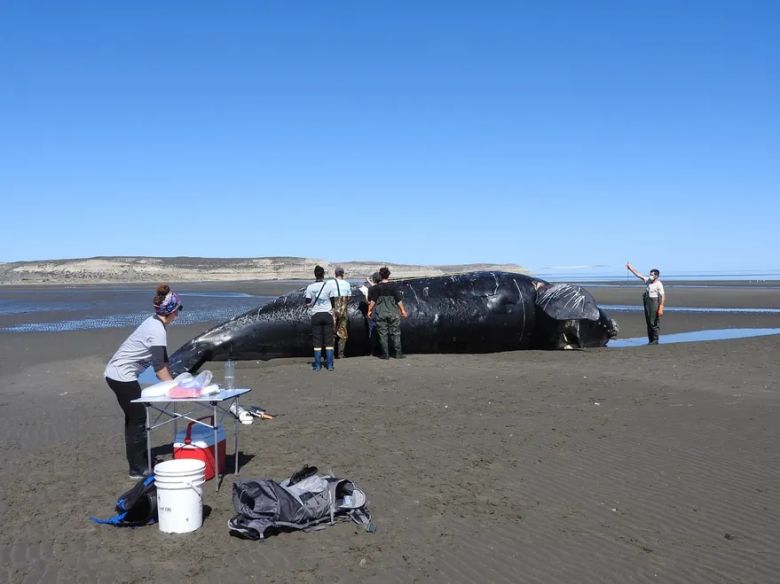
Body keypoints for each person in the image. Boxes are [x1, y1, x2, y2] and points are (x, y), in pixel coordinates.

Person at [104, 284, 182, 479]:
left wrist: (173, 383)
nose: (178, 315)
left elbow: (163, 361)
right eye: (178, 310)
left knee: (135, 418)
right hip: (120, 376)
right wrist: (176, 390)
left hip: (120, 374)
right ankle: (138, 469)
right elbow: (158, 368)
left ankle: (141, 461)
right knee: (137, 420)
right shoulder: (157, 330)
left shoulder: (155, 323)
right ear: (171, 312)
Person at [367, 266, 409, 359]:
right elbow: (399, 300)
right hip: (393, 313)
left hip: (381, 314)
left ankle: (385, 354)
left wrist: (369, 311)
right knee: (396, 334)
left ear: (380, 276)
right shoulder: (393, 286)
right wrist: (403, 311)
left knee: (383, 335)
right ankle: (398, 354)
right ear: (388, 275)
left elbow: (372, 302)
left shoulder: (377, 288)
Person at [304, 265, 338, 371]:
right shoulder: (329, 286)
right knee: (329, 341)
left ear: (315, 274)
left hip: (316, 316)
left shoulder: (310, 287)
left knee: (317, 342)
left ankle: (318, 366)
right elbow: (333, 301)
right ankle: (330, 365)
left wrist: (312, 304)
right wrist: (333, 313)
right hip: (327, 315)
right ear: (323, 275)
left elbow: (307, 303)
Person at [626, 262, 666, 344]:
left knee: (653, 322)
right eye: (650, 274)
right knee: (648, 321)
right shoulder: (648, 280)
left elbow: (662, 296)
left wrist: (661, 307)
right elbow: (638, 275)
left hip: (654, 302)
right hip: (647, 301)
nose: (650, 276)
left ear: (656, 276)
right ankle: (650, 340)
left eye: (652, 274)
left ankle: (655, 340)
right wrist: (630, 268)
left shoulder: (659, 284)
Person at [332, 266, 352, 359]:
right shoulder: (347, 284)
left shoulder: (330, 283)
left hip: (332, 311)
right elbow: (349, 298)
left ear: (335, 274)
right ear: (342, 274)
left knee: (332, 332)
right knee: (343, 332)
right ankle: (340, 353)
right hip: (343, 311)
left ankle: (330, 353)